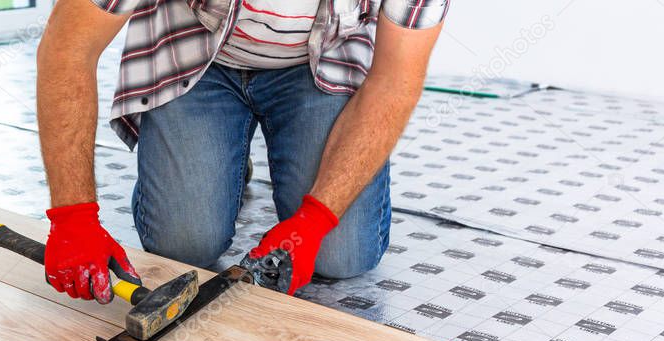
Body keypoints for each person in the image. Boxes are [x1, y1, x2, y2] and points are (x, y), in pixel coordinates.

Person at [37, 0, 448, 301]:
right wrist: (73, 217)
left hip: (320, 61)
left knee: (340, 255)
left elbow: (395, 81)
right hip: (196, 49)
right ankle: (225, 153)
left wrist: (315, 219)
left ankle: (250, 152)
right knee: (184, 246)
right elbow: (68, 48)